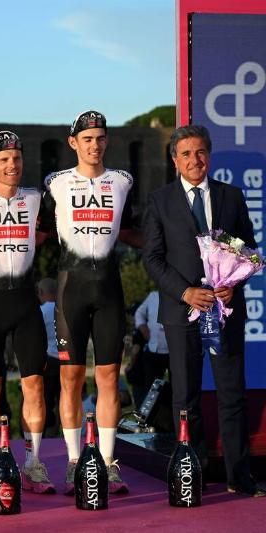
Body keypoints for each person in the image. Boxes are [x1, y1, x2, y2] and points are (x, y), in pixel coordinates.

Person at [143, 124, 265, 497]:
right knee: (185, 398)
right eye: (186, 154)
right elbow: (152, 258)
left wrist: (233, 283)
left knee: (232, 395)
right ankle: (191, 477)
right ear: (174, 160)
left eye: (200, 152)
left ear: (208, 156)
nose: (194, 160)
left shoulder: (232, 196)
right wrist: (185, 292)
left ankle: (239, 476)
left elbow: (248, 249)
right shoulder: (160, 201)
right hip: (182, 313)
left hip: (225, 311)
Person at [41, 111, 141, 494]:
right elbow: (37, 232)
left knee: (109, 377)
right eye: (87, 139)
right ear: (73, 143)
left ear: (107, 141)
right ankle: (72, 461)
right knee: (70, 379)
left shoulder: (123, 181)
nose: (94, 145)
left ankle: (109, 462)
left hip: (109, 289)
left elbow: (130, 231)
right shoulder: (55, 183)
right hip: (71, 289)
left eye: (100, 138)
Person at [0, 131, 55, 494]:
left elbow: (48, 232)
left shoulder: (36, 199)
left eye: (16, 158)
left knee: (34, 385)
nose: (12, 165)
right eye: (3, 160)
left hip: (25, 302)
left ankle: (33, 464)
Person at [133, 290, 170, 392]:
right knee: (152, 390)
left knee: (178, 387)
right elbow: (139, 314)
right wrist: (143, 327)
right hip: (154, 350)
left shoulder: (181, 295)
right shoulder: (153, 296)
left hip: (174, 352)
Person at [38, 277, 60, 437]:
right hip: (65, 359)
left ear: (41, 292)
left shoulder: (41, 311)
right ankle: (61, 432)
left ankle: (47, 435)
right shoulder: (63, 309)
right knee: (63, 399)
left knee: (47, 400)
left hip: (49, 359)